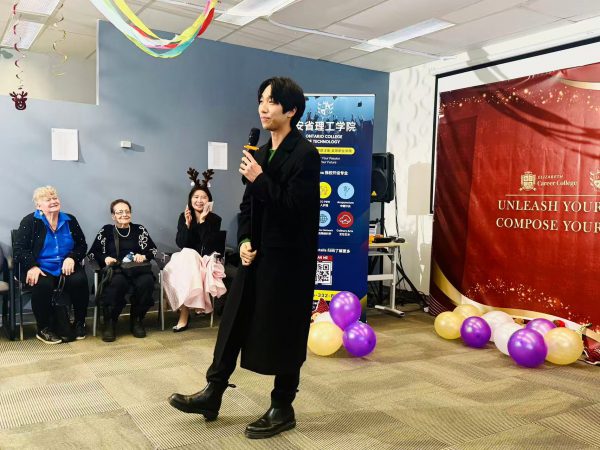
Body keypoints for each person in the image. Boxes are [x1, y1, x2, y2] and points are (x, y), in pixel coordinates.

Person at [169, 77, 320, 439]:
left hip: (290, 261)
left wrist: (259, 177)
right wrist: (246, 240)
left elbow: (295, 209)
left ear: (291, 110)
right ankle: (213, 391)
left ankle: (283, 406)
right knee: (233, 320)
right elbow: (247, 207)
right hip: (256, 256)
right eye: (261, 101)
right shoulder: (261, 153)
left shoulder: (305, 154)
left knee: (286, 329)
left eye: (271, 101)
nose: (263, 108)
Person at [13, 186, 89, 344]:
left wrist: (72, 258)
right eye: (48, 199)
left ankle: (79, 323)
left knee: (79, 280)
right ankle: (43, 328)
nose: (53, 201)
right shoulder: (30, 221)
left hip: (66, 266)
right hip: (40, 267)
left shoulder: (70, 220)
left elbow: (81, 245)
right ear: (38, 205)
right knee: (43, 284)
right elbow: (19, 249)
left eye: (55, 198)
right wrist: (32, 266)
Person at [88, 199, 158, 342]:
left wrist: (143, 256)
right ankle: (110, 322)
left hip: (136, 270)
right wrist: (106, 258)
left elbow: (153, 250)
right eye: (119, 212)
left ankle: (137, 320)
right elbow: (93, 253)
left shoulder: (139, 230)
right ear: (113, 216)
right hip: (116, 270)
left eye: (127, 211)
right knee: (117, 283)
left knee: (147, 282)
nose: (124, 214)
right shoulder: (106, 231)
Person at [163, 181, 224, 332]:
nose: (199, 200)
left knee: (190, 255)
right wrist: (187, 224)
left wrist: (203, 221)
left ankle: (184, 314)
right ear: (190, 200)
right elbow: (181, 243)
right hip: (185, 260)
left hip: (204, 260)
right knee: (187, 254)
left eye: (203, 197)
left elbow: (208, 246)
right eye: (196, 197)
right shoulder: (184, 216)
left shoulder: (215, 219)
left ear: (209, 201)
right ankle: (187, 309)